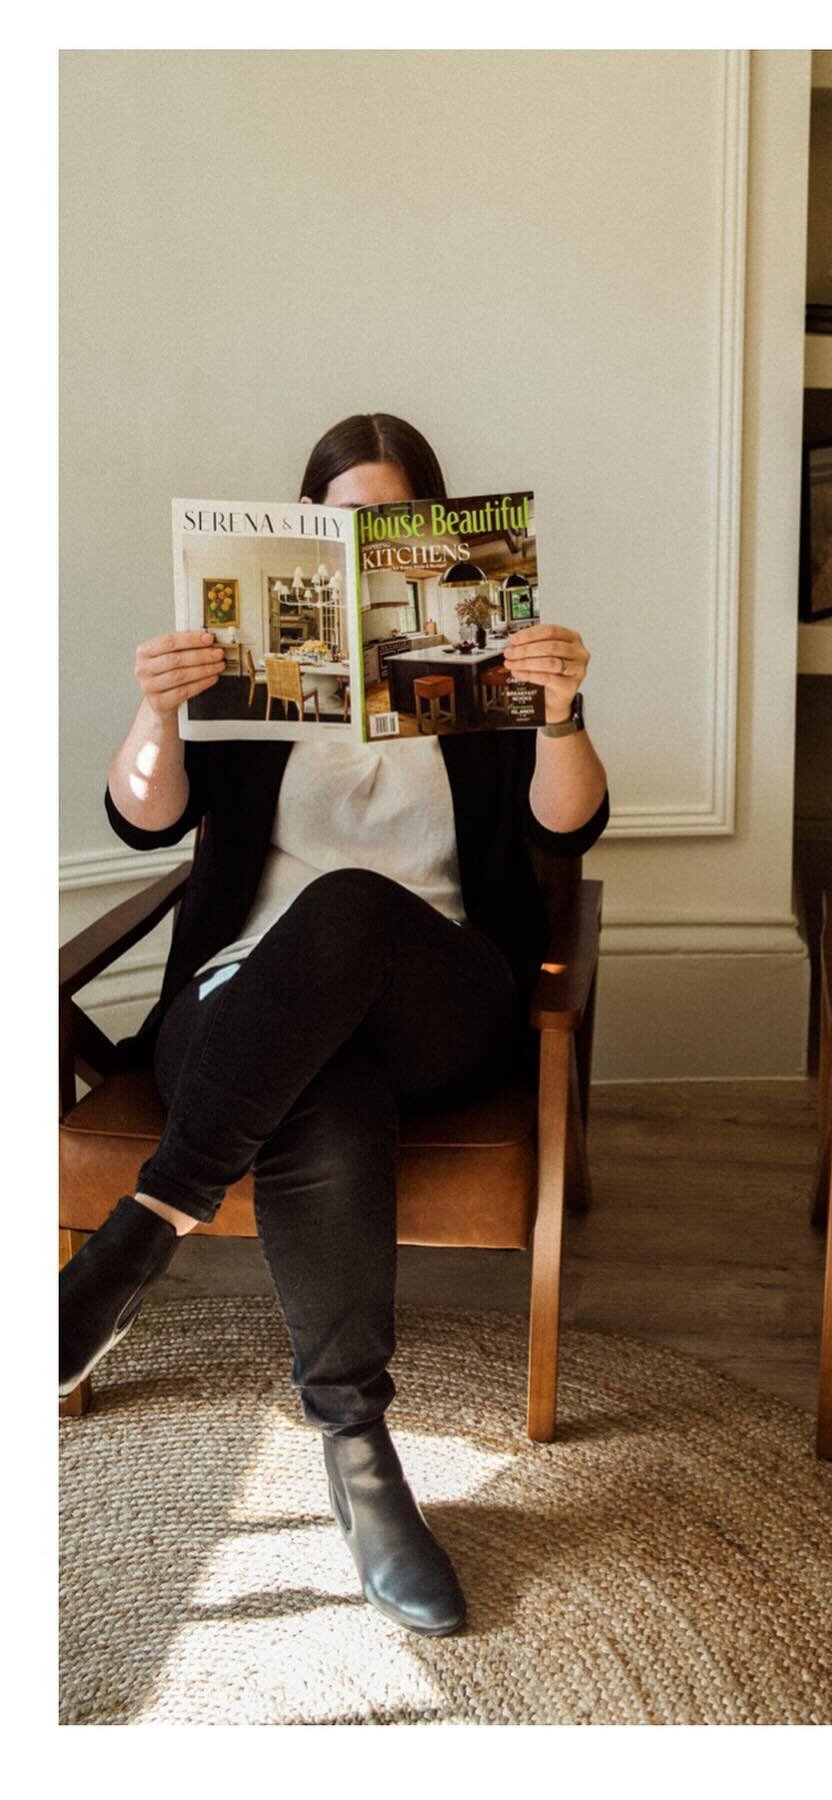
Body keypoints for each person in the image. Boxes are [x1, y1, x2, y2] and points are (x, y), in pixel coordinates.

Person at [60, 414, 609, 1637]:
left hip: (440, 996)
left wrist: (561, 710)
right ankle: (362, 1462)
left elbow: (568, 833)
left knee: (353, 907)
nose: (368, 549)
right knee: (328, 1084)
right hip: (244, 1004)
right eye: (344, 525)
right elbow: (147, 825)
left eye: (390, 526)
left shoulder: (488, 666)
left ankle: (142, 1230)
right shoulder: (254, 668)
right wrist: (157, 713)